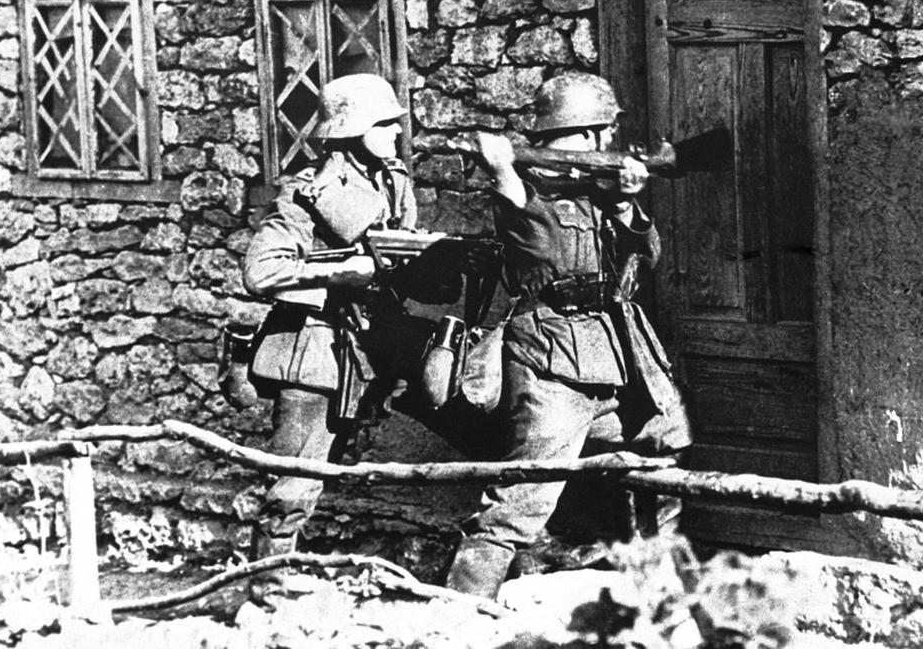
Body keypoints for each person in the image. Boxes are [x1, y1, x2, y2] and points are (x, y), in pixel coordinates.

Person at [444, 71, 692, 599]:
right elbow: (515, 208)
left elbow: (648, 259)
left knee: (662, 457)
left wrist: (626, 204)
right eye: (604, 132)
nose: (609, 144)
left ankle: (656, 595)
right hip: (553, 360)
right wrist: (497, 162)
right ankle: (460, 614)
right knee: (522, 501)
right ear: (591, 133)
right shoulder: (523, 188)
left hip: (621, 352)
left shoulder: (599, 193)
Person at [242, 73, 416, 575]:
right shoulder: (308, 191)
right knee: (295, 480)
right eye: (385, 124)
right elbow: (261, 272)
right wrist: (340, 274)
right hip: (312, 349)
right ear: (353, 128)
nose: (395, 133)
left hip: (365, 346)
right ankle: (266, 584)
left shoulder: (392, 181)